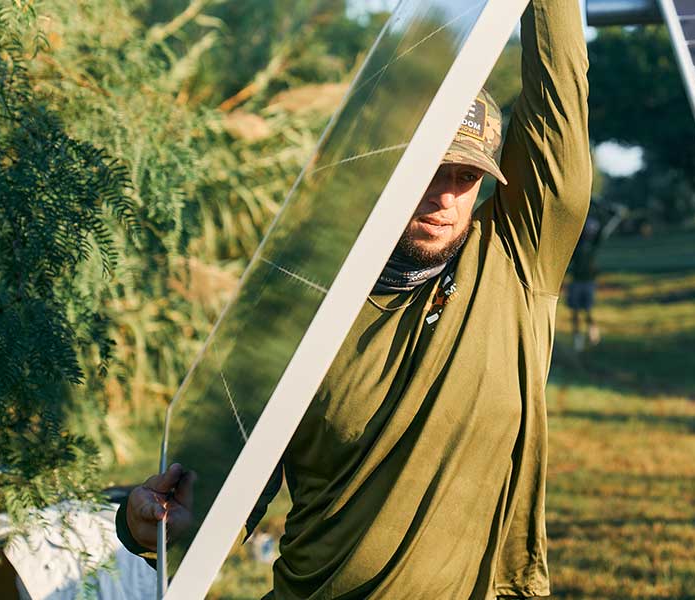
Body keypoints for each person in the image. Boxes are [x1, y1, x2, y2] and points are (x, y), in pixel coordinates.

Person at [115, 1, 589, 597]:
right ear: (386, 167)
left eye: (464, 177)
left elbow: (561, 90)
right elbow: (213, 498)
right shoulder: (304, 300)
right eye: (429, 170)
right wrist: (152, 526)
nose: (444, 198)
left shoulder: (518, 260)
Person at [564, 202, 624, 352]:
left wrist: (608, 209)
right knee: (576, 312)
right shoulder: (577, 243)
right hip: (577, 280)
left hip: (588, 281)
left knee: (588, 311)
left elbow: (610, 224)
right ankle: (578, 341)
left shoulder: (595, 243)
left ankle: (592, 332)